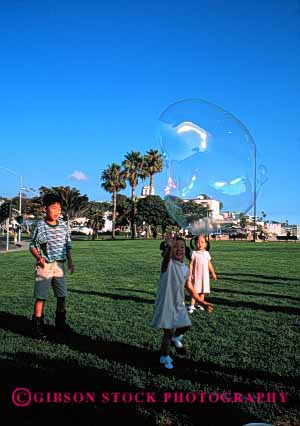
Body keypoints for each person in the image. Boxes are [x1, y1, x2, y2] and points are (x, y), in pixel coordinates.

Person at [151, 237, 213, 370]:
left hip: (178, 303)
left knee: (186, 325)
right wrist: (168, 247)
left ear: (186, 251)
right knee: (167, 333)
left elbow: (190, 288)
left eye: (182, 247)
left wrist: (202, 301)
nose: (179, 249)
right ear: (170, 250)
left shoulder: (185, 269)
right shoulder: (168, 264)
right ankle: (164, 357)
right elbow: (166, 259)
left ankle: (176, 337)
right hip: (167, 304)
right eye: (176, 247)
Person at [30, 194, 74, 339]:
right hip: (45, 267)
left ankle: (60, 324)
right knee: (41, 297)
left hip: (60, 266)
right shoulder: (41, 226)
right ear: (45, 209)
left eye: (59, 209)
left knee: (62, 296)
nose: (57, 212)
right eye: (54, 208)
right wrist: (39, 258)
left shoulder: (63, 226)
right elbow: (32, 245)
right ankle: (37, 326)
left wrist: (70, 262)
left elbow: (67, 245)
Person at [187, 234, 217, 314]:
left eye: (202, 242)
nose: (200, 244)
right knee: (194, 291)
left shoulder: (206, 253)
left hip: (204, 276)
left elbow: (209, 264)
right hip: (196, 275)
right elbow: (190, 264)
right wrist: (190, 274)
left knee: (202, 291)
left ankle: (201, 304)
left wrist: (213, 273)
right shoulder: (194, 253)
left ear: (206, 244)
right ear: (194, 243)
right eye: (198, 242)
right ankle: (192, 305)